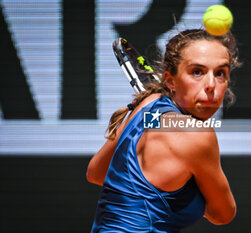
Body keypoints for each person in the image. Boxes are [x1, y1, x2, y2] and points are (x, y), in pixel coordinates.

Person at [87, 29, 240, 232]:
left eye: (220, 73)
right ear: (169, 80)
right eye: (197, 72)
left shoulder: (147, 104)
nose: (211, 85)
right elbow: (222, 213)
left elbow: (96, 172)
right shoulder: (197, 135)